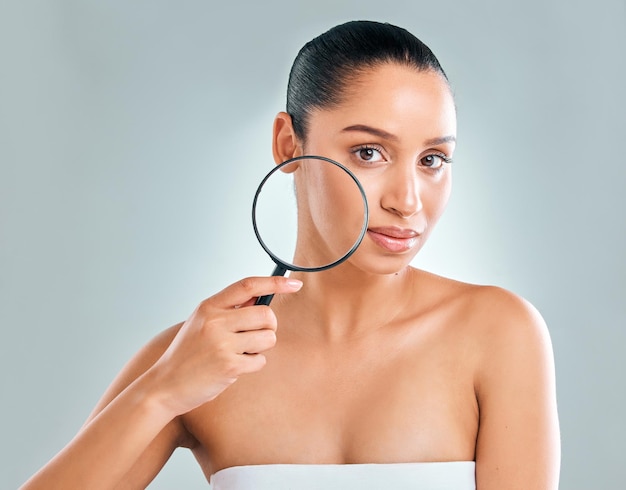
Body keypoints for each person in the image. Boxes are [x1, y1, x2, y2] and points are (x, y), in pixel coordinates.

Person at [21, 20, 560, 489]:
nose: (407, 200)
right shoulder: (199, 356)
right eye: (369, 152)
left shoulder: (498, 333)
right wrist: (161, 393)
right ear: (288, 144)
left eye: (433, 159)